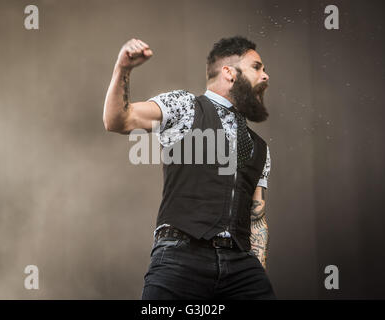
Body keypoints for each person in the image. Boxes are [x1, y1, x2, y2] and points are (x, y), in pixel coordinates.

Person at [103, 36, 276, 299]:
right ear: (229, 73)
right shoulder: (185, 107)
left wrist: (256, 270)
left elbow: (256, 217)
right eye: (257, 67)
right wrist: (123, 68)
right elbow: (118, 120)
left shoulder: (259, 147)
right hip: (181, 256)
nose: (265, 76)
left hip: (240, 265)